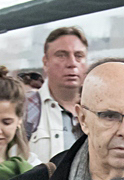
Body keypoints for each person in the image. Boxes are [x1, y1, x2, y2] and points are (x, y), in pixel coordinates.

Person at [23, 27, 88, 162]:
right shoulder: (26, 108)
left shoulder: (98, 110)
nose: (72, 63)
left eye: (79, 56)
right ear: (45, 62)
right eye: (61, 55)